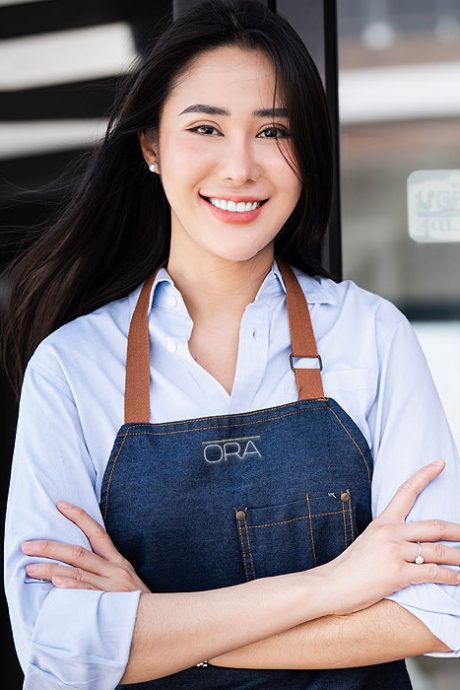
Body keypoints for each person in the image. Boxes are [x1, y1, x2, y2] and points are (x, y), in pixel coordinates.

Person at [2, 1, 460, 688]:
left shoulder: (369, 334)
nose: (240, 167)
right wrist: (335, 585)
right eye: (205, 128)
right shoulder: (72, 367)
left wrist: (156, 626)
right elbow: (55, 647)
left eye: (273, 130)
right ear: (151, 146)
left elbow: (441, 611)